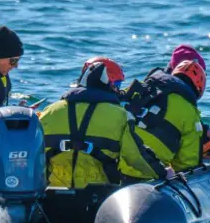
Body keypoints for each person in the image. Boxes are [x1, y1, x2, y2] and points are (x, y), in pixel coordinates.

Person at [39, 57, 165, 189]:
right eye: (117, 86)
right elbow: (136, 157)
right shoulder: (120, 115)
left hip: (52, 197)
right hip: (98, 198)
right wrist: (163, 173)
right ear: (108, 85)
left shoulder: (50, 111)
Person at [123, 44, 210, 172]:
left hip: (111, 165)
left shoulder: (142, 89)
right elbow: (186, 164)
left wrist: (204, 136)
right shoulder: (188, 110)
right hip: (144, 173)